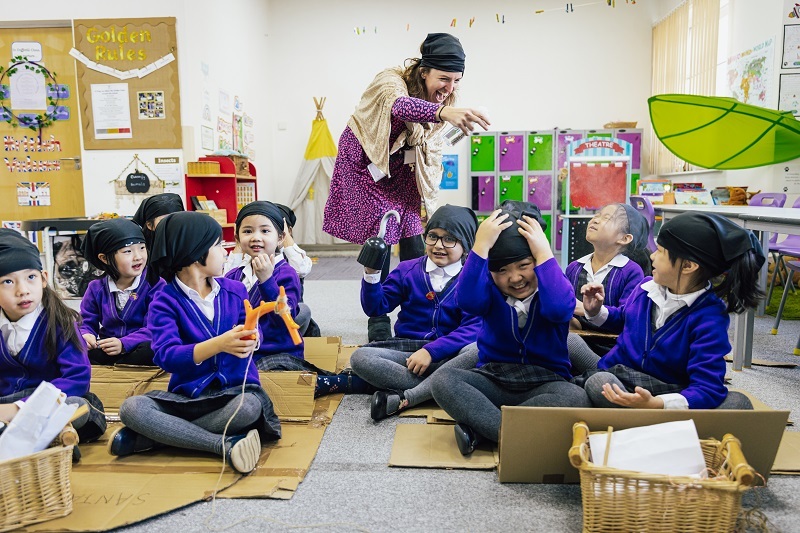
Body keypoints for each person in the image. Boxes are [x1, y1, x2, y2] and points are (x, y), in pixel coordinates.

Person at [322, 32, 490, 342]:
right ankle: (377, 315)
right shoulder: (390, 80)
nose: (450, 88)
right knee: (382, 234)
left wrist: (443, 118)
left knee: (414, 234)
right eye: (444, 79)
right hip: (367, 162)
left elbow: (430, 139)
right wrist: (442, 112)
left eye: (456, 81)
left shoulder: (443, 98)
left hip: (402, 168)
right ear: (423, 71)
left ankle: (417, 308)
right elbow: (399, 106)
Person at [109, 212, 281, 474]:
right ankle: (221, 444)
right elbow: (167, 356)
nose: (225, 252)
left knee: (249, 407)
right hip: (187, 398)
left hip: (233, 394)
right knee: (132, 408)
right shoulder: (164, 301)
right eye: (218, 245)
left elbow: (253, 327)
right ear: (194, 253)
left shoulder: (235, 289)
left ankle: (156, 437)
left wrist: (253, 338)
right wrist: (219, 344)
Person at [429, 204, 591, 455]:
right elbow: (468, 301)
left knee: (576, 397)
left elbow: (559, 310)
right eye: (502, 270)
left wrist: (544, 252)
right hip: (494, 378)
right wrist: (480, 248)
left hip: (546, 382)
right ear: (490, 272)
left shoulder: (553, 286)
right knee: (443, 380)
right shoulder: (488, 291)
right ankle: (511, 432)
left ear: (537, 261)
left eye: (524, 265)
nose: (515, 278)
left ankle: (484, 430)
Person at [574, 212, 763, 410]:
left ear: (688, 266)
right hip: (621, 375)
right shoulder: (646, 287)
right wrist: (596, 311)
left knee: (738, 403)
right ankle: (644, 419)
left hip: (670, 390)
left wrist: (657, 404)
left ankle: (643, 418)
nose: (652, 256)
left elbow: (708, 386)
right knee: (599, 380)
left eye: (660, 251)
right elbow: (624, 318)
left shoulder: (710, 316)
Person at [349, 204, 481, 422]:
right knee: (360, 358)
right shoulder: (407, 269)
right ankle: (443, 386)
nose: (438, 245)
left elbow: (473, 329)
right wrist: (371, 274)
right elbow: (376, 307)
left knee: (477, 350)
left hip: (449, 354)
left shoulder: (472, 278)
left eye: (449, 239)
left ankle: (411, 396)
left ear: (466, 244)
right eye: (432, 236)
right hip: (407, 352)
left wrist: (431, 352)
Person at [224, 201, 369, 397]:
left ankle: (335, 382)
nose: (256, 237)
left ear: (280, 238)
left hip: (275, 352)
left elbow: (286, 319)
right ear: (237, 238)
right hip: (242, 351)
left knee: (267, 379)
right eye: (248, 231)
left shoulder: (286, 273)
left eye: (265, 231)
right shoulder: (233, 275)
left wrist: (266, 280)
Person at [0, 229, 107, 454]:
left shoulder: (62, 323)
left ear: (44, 278)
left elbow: (77, 379)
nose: (22, 291)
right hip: (4, 404)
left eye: (31, 277)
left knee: (78, 406)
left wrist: (19, 409)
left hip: (53, 399)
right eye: (8, 281)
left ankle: (26, 438)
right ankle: (49, 441)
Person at [565, 203, 650, 373]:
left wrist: (588, 310)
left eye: (607, 218)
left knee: (569, 341)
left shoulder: (631, 272)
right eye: (597, 215)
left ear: (625, 238)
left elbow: (628, 320)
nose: (595, 220)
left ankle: (602, 373)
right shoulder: (574, 267)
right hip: (573, 347)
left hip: (609, 352)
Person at [80, 218, 165, 366]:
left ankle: (118, 365)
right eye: (127, 251)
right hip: (109, 348)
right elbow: (86, 321)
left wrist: (124, 343)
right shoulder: (96, 288)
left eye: (142, 248)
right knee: (78, 351)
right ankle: (118, 366)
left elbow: (155, 327)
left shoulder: (155, 284)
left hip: (140, 346)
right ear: (104, 258)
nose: (138, 256)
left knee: (151, 350)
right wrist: (86, 335)